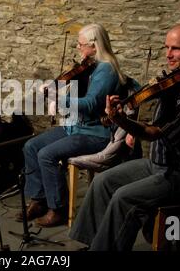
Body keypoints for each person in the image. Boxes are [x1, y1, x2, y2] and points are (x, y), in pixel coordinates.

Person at [69, 23, 180, 251]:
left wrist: (122, 121)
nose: (168, 54)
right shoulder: (173, 84)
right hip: (158, 164)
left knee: (124, 198)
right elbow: (149, 117)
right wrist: (126, 111)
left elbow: (154, 132)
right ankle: (95, 245)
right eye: (166, 47)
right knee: (102, 181)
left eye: (176, 49)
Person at [20, 23, 128, 227]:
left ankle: (58, 209)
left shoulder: (106, 70)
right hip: (75, 127)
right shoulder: (90, 66)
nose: (78, 48)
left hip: (95, 133)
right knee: (31, 146)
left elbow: (90, 104)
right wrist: (56, 89)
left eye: (81, 44)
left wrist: (58, 100)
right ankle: (39, 199)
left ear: (95, 46)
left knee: (46, 155)